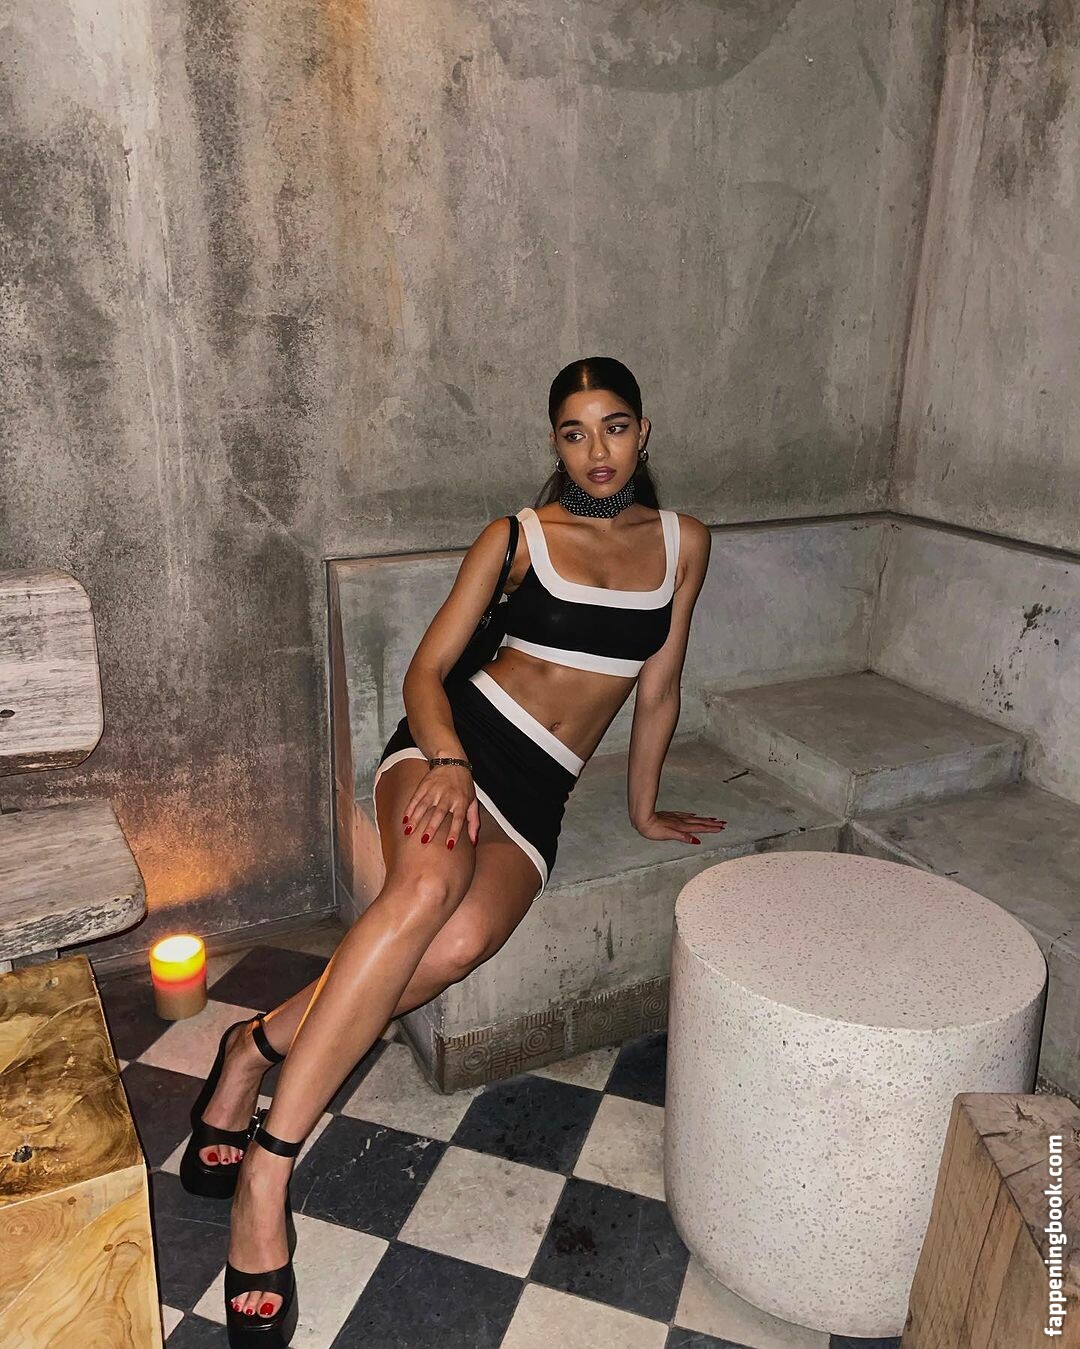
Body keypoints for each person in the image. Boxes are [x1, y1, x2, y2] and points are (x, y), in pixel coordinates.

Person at [179, 355, 726, 1347]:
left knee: (457, 944)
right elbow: (427, 671)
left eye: (613, 426)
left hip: (540, 789)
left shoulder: (685, 543)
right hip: (452, 746)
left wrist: (645, 809)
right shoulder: (515, 537)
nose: (596, 450)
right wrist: (447, 760)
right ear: (554, 442)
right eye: (573, 432)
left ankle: (252, 1045)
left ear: (643, 432)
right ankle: (268, 1170)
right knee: (425, 889)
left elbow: (659, 687)